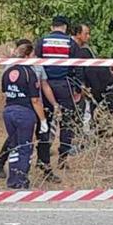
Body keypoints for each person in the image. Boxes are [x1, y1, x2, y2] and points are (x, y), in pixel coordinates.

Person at [0, 39, 58, 180]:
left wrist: (54, 103)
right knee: (17, 141)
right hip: (25, 107)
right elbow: (6, 89)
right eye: (33, 54)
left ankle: (45, 168)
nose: (35, 57)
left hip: (37, 106)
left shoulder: (37, 66)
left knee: (43, 137)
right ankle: (2, 162)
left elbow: (44, 85)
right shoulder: (11, 67)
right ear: (26, 55)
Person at [35, 15, 82, 174]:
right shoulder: (71, 43)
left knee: (44, 121)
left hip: (45, 85)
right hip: (65, 85)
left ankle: (42, 159)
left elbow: (35, 64)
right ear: (65, 28)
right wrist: (78, 89)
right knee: (67, 122)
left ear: (52, 27)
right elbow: (78, 68)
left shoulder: (42, 41)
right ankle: (63, 158)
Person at [72, 24, 113, 131]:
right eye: (86, 34)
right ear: (78, 34)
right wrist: (82, 86)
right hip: (81, 89)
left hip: (90, 89)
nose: (89, 36)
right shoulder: (79, 51)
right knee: (83, 115)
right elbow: (81, 70)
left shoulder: (86, 49)